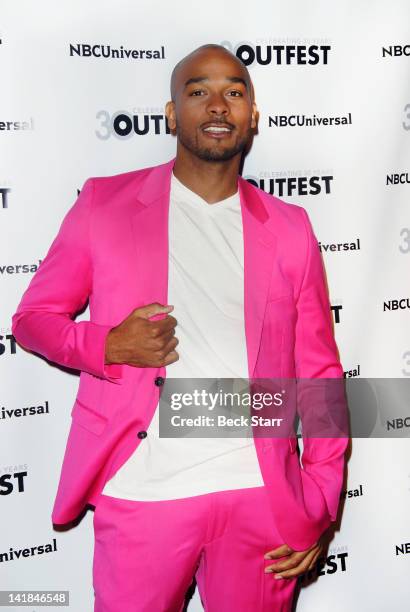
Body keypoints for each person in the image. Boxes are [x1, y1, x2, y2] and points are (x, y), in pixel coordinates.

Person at [12, 44, 349, 611]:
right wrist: (109, 343)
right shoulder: (104, 204)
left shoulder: (291, 227)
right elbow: (31, 320)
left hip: (260, 500)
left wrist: (320, 498)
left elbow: (320, 373)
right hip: (142, 493)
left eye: (234, 92)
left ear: (253, 115)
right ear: (171, 114)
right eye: (198, 91)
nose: (218, 105)